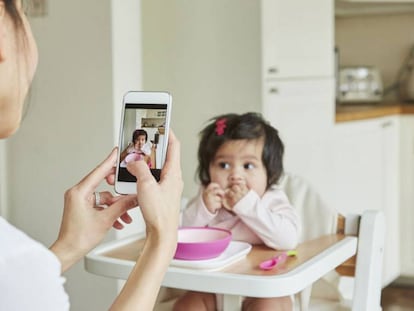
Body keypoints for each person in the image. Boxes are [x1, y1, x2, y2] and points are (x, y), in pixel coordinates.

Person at [0, 1, 183, 310]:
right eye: (24, 14)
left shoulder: (16, 267)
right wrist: (162, 239)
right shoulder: (14, 262)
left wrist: (68, 247)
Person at [173, 112, 300, 311]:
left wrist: (248, 205)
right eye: (223, 165)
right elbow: (180, 235)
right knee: (187, 306)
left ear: (270, 172)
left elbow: (288, 238)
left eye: (248, 166)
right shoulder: (208, 199)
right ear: (208, 170)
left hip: (262, 286)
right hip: (213, 288)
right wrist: (203, 210)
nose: (235, 175)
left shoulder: (271, 200)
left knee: (271, 306)